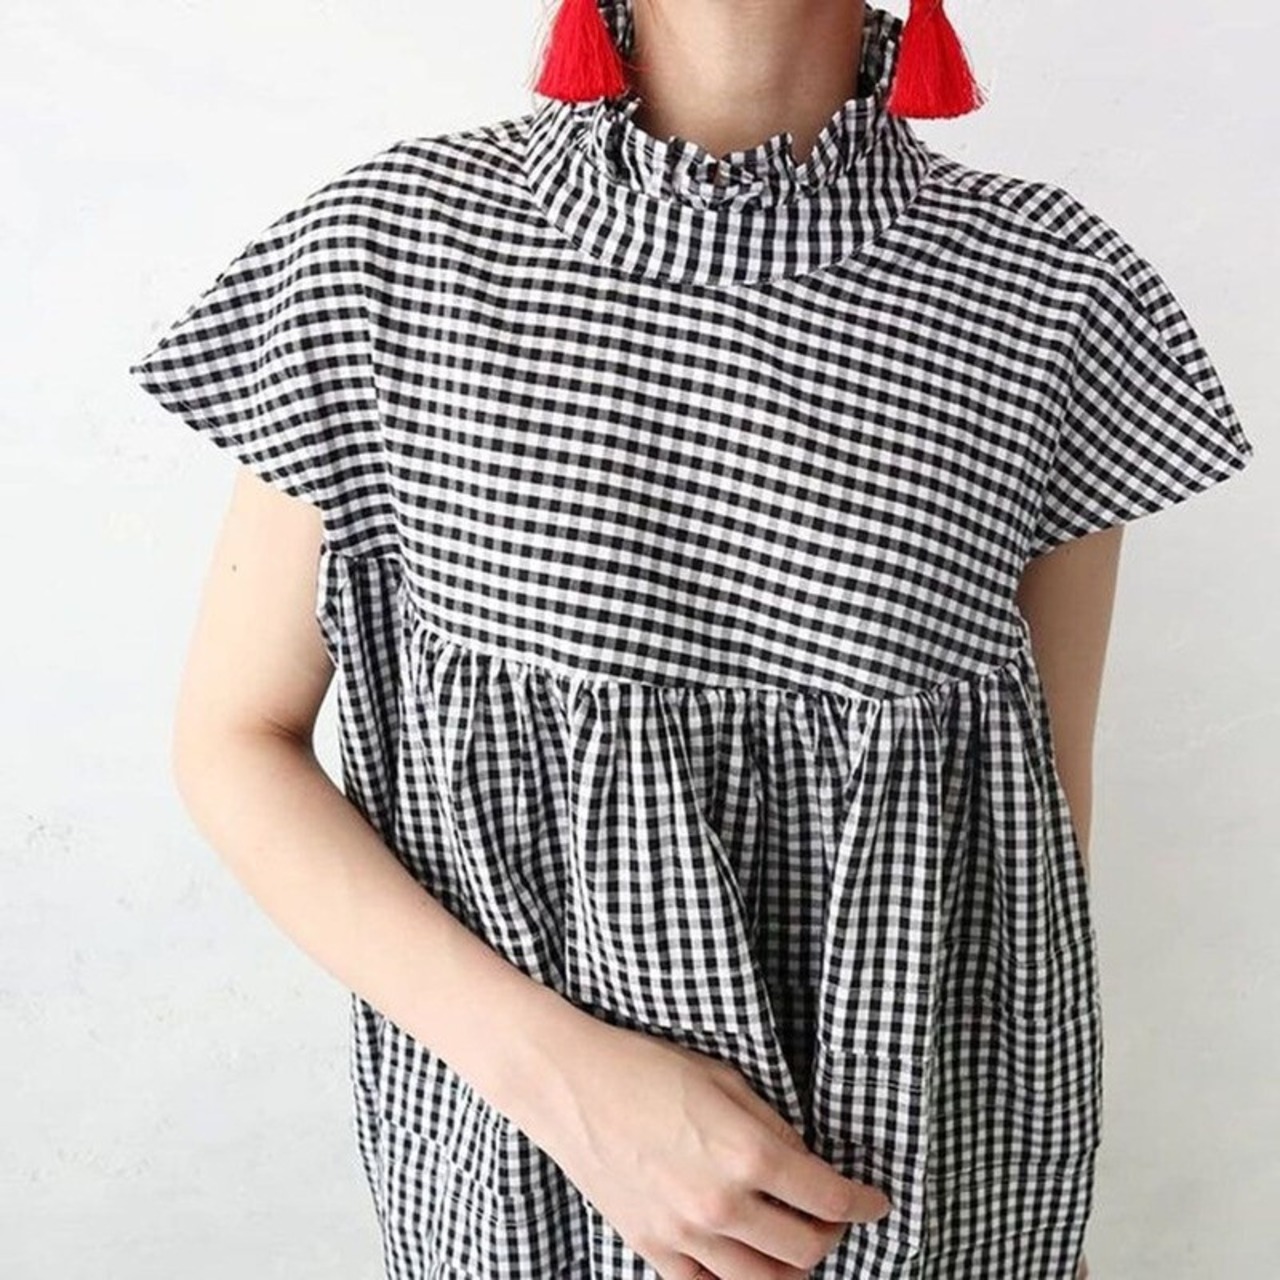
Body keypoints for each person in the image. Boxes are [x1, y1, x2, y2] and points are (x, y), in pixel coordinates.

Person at [127, 2, 1254, 1278]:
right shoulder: (388, 252)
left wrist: (1016, 1227)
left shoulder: (1051, 288)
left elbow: (1033, 826)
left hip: (922, 1205)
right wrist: (568, 1086)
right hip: (523, 1190)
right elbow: (235, 741)